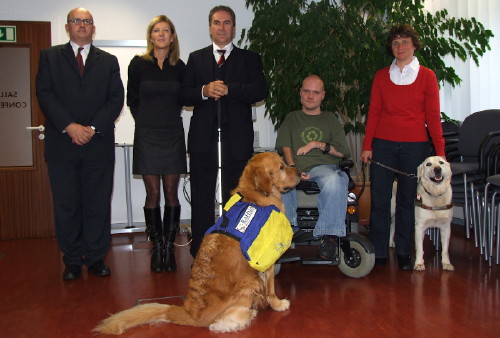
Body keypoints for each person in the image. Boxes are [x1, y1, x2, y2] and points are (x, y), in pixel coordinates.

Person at [36, 8, 124, 280]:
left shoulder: (108, 61)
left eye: (87, 21)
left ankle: (97, 258)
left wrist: (93, 128)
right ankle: (72, 260)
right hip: (62, 145)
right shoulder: (50, 57)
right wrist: (70, 126)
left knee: (98, 204)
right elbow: (44, 94)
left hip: (97, 145)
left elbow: (115, 99)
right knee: (67, 205)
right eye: (77, 21)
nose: (82, 25)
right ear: (67, 27)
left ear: (93, 28)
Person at [182, 5, 268, 258]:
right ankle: (201, 250)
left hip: (237, 139)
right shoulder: (195, 58)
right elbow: (183, 94)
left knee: (238, 196)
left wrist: (231, 89)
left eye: (227, 23)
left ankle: (235, 249)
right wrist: (203, 91)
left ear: (234, 27)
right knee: (201, 196)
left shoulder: (250, 58)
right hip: (203, 139)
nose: (222, 27)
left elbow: (260, 91)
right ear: (210, 27)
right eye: (217, 23)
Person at [360, 24, 445, 271]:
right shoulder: (380, 76)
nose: (400, 47)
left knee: (408, 200)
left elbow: (432, 116)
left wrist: (439, 153)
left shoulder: (427, 76)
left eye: (405, 42)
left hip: (415, 147)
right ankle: (378, 252)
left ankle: (405, 252)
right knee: (380, 200)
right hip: (383, 145)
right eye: (396, 43)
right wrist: (367, 146)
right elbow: (374, 112)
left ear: (414, 45)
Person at [127, 15, 186, 273]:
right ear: (151, 36)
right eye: (156, 31)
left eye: (166, 31)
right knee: (153, 195)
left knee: (171, 194)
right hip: (148, 135)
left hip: (172, 133)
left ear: (172, 37)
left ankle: (169, 250)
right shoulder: (138, 64)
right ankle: (156, 248)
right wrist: (146, 121)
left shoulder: (180, 66)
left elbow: (186, 96)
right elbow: (132, 100)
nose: (161, 35)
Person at [275, 75, 350, 260]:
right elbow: (285, 146)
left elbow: (342, 153)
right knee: (280, 179)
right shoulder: (292, 118)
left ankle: (329, 235)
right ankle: (287, 230)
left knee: (336, 179)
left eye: (315, 92)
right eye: (306, 91)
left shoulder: (330, 119)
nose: (310, 96)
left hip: (323, 168)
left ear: (323, 95)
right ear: (300, 93)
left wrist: (318, 144)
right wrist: (293, 169)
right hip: (295, 167)